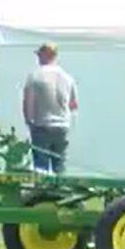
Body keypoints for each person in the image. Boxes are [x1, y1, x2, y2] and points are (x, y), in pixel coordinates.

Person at [22, 42, 78, 173]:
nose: (38, 58)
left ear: (45, 55)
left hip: (42, 126)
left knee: (41, 169)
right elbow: (73, 106)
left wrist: (29, 122)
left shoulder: (35, 76)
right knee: (60, 166)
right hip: (62, 127)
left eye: (39, 55)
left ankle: (42, 192)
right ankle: (59, 192)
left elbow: (27, 103)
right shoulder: (68, 78)